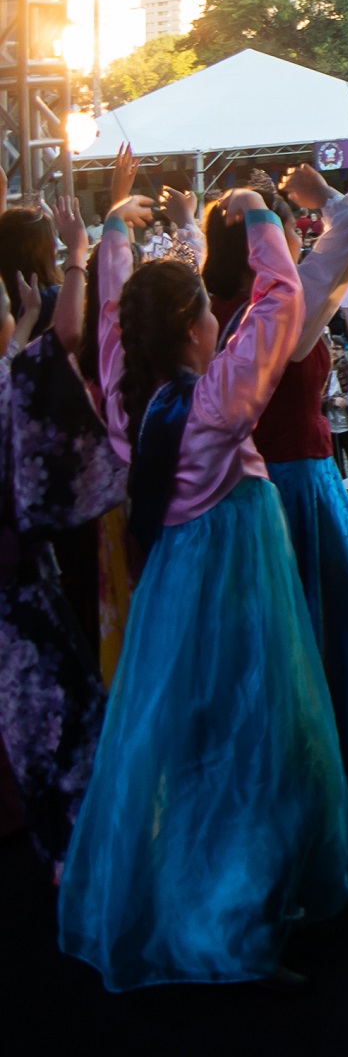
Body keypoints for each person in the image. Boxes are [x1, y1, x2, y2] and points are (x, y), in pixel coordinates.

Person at [57, 186, 348, 992]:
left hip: (171, 588)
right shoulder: (219, 400)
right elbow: (282, 298)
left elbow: (113, 319)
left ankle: (194, 902)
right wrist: (257, 210)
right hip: (238, 587)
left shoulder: (129, 401)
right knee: (252, 745)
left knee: (188, 744)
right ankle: (236, 930)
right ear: (195, 327)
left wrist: (114, 232)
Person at [197, 160, 348, 799]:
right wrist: (323, 194)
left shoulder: (207, 309)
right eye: (281, 224)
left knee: (271, 643)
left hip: (241, 490)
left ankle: (287, 790)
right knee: (337, 635)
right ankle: (338, 786)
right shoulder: (277, 310)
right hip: (299, 484)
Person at [0, 193, 119, 878]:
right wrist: (77, 255)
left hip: (27, 561)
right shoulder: (17, 374)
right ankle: (74, 856)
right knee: (55, 705)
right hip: (29, 567)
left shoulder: (13, 363)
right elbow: (62, 340)